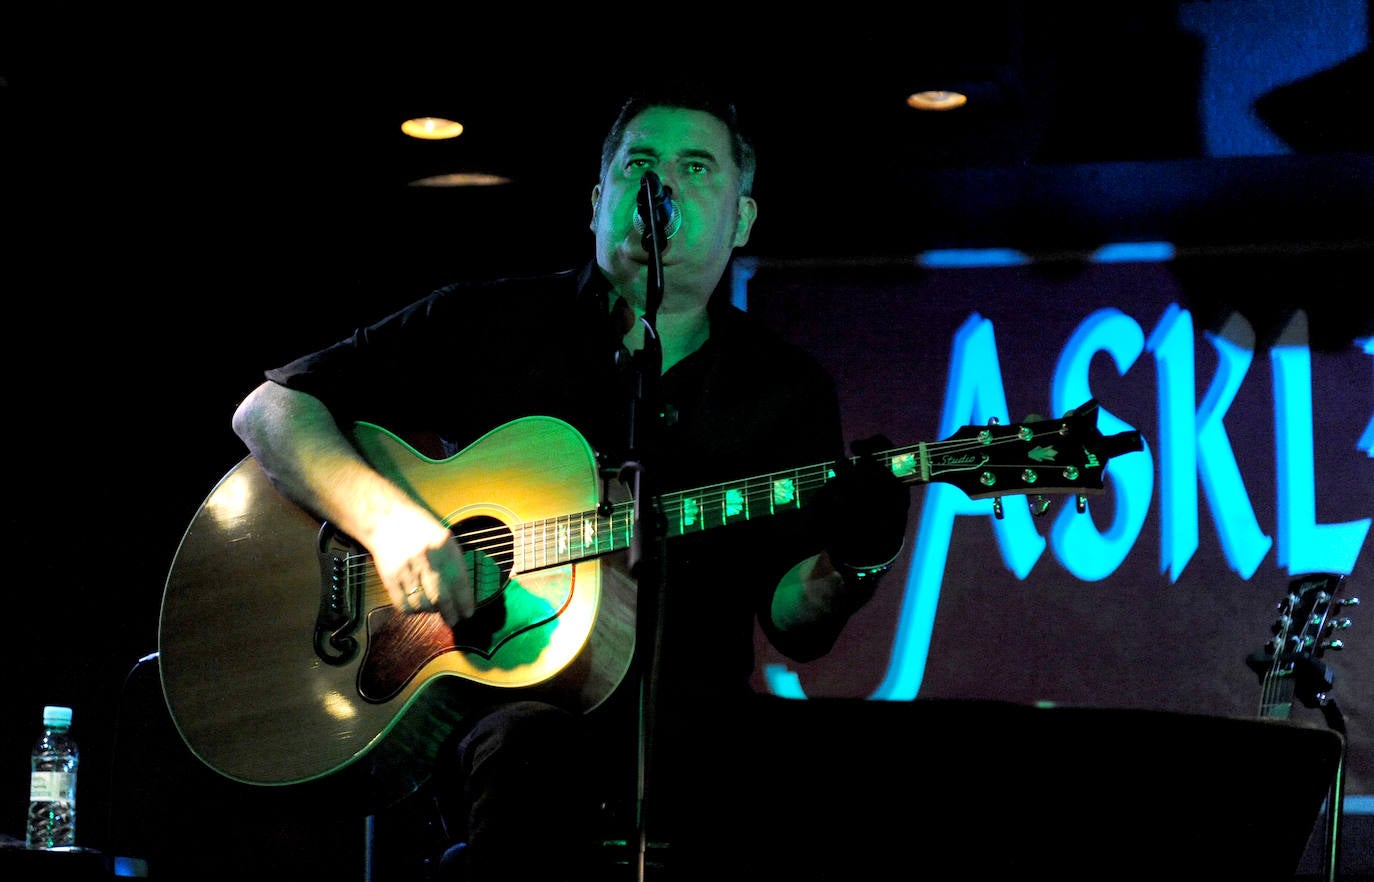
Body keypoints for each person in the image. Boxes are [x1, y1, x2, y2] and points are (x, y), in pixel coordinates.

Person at [230, 81, 910, 881]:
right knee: (532, 751)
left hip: (691, 730)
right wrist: (392, 526)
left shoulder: (785, 390)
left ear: (743, 218)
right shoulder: (489, 323)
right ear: (597, 200)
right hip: (485, 715)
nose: (662, 188)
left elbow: (793, 614)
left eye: (696, 169)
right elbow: (272, 409)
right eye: (640, 165)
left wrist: (858, 561)